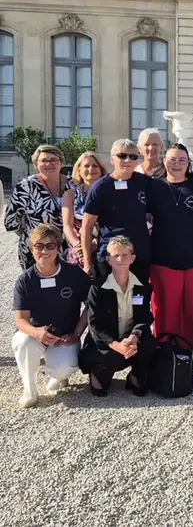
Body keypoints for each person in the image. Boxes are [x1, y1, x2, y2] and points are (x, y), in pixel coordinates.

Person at [148, 144, 193, 375]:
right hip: (163, 261)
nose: (177, 164)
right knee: (166, 312)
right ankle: (167, 356)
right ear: (164, 161)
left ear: (188, 162)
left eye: (182, 160)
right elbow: (145, 217)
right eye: (172, 159)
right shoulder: (154, 187)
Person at [11, 224, 91, 408]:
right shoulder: (25, 280)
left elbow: (90, 306)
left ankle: (57, 375)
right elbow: (20, 320)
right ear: (31, 250)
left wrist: (76, 333)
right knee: (22, 341)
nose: (44, 251)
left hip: (64, 336)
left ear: (58, 248)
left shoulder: (73, 274)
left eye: (50, 246)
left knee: (64, 367)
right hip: (35, 336)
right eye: (39, 246)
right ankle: (29, 389)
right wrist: (36, 332)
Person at [79, 236, 156, 397]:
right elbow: (94, 326)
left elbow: (144, 317)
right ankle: (98, 375)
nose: (120, 259)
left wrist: (134, 336)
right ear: (108, 260)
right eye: (115, 256)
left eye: (125, 255)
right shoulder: (97, 289)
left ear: (133, 259)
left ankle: (136, 377)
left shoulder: (143, 287)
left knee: (149, 343)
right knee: (101, 387)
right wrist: (116, 345)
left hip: (129, 341)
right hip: (106, 345)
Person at [81, 139, 152, 283]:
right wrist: (87, 262)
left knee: (138, 302)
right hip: (110, 256)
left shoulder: (146, 183)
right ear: (112, 159)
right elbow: (87, 226)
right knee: (110, 303)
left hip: (139, 255)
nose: (127, 160)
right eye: (122, 156)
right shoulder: (100, 188)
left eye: (133, 156)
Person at [5, 144, 70, 270]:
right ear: (36, 164)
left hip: (69, 251)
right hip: (37, 251)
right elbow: (11, 221)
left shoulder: (73, 184)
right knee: (37, 288)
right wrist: (34, 236)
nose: (49, 164)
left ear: (61, 162)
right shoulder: (25, 187)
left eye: (53, 160)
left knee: (67, 288)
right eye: (44, 160)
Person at [62, 152, 107, 265]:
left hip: (104, 246)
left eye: (95, 166)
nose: (91, 169)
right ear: (79, 170)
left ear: (101, 169)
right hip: (77, 250)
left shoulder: (109, 193)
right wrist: (78, 246)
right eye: (86, 166)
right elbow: (67, 225)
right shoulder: (70, 195)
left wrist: (95, 243)